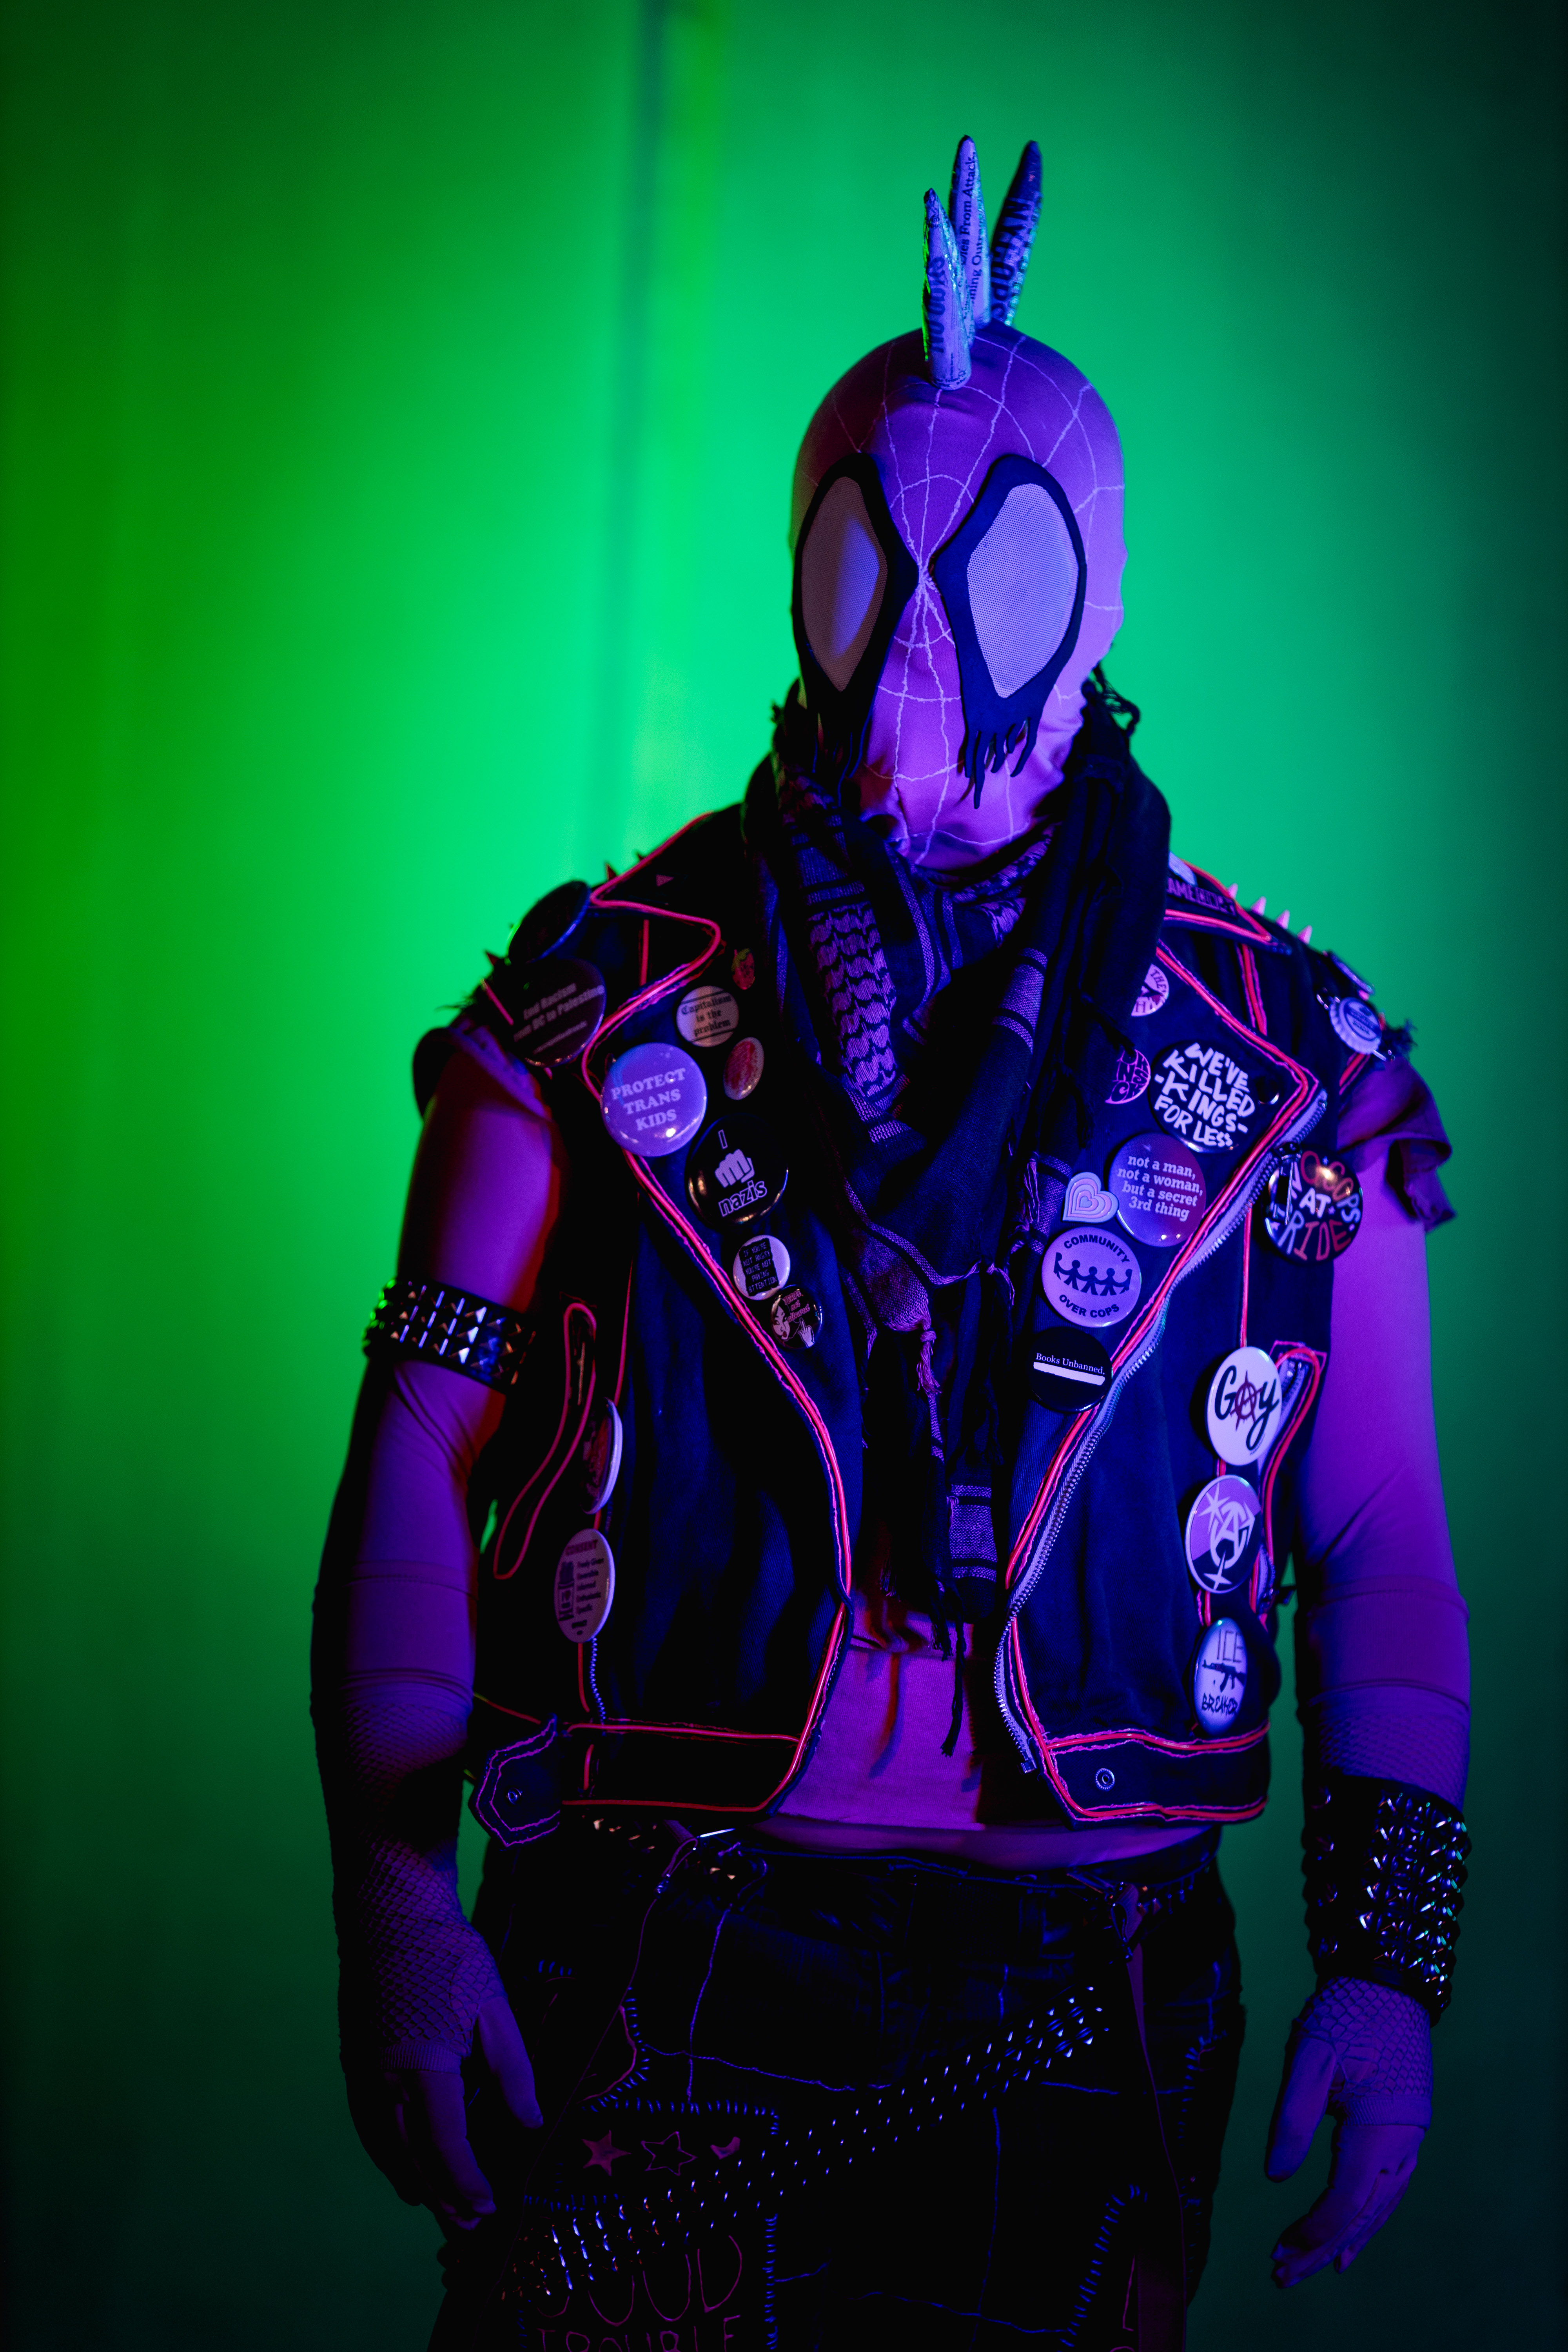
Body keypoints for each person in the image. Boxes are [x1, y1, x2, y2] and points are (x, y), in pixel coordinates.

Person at [314, 138, 1470, 2351]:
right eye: (873, 561)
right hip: (657, 1940)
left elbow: (1385, 1532)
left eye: (989, 570)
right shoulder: (588, 1013)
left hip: (1093, 1984)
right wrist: (392, 1905)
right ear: (805, 565)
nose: (924, 640)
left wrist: (1388, 1960)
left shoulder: (1294, 1058)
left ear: (1094, 587)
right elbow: (416, 1434)